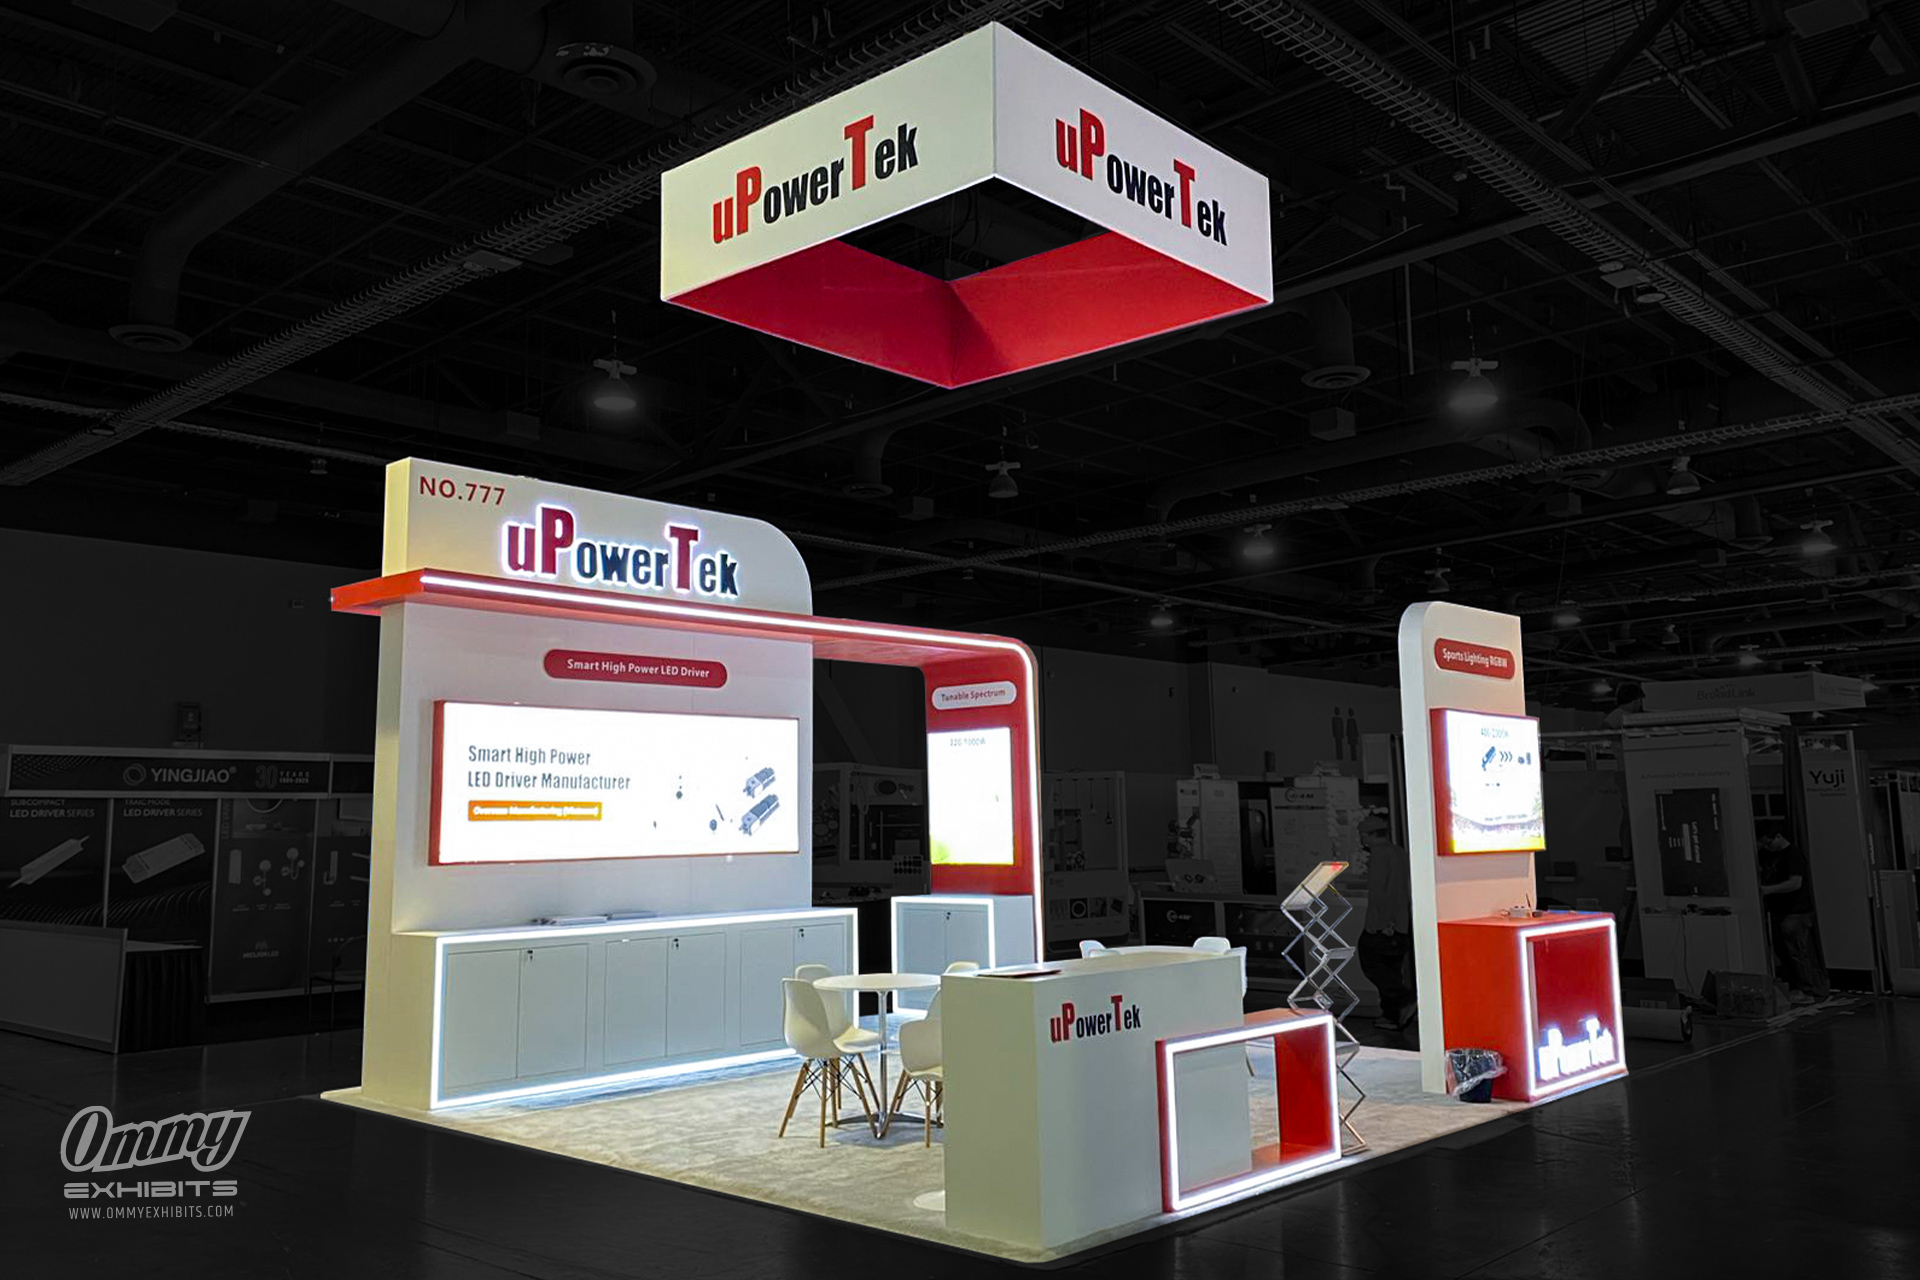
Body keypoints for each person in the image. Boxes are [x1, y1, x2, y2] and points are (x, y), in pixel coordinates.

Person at [1756, 822, 1830, 1005]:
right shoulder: (1767, 855)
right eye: (1763, 844)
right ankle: (1797, 987)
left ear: (1778, 837)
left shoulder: (1793, 855)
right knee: (1785, 952)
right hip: (1779, 910)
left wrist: (1767, 890)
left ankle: (1808, 990)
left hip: (1797, 910)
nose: (1767, 847)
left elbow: (1795, 883)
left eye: (1768, 843)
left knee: (1798, 952)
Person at [1357, 813, 1417, 1033]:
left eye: (1363, 835)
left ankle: (1405, 1000)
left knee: (1371, 962)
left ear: (1370, 835)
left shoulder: (1380, 855)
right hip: (1401, 922)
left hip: (1383, 924)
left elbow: (1378, 893)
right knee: (1391, 967)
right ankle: (1392, 1016)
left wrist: (1381, 924)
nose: (1362, 839)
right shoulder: (1399, 852)